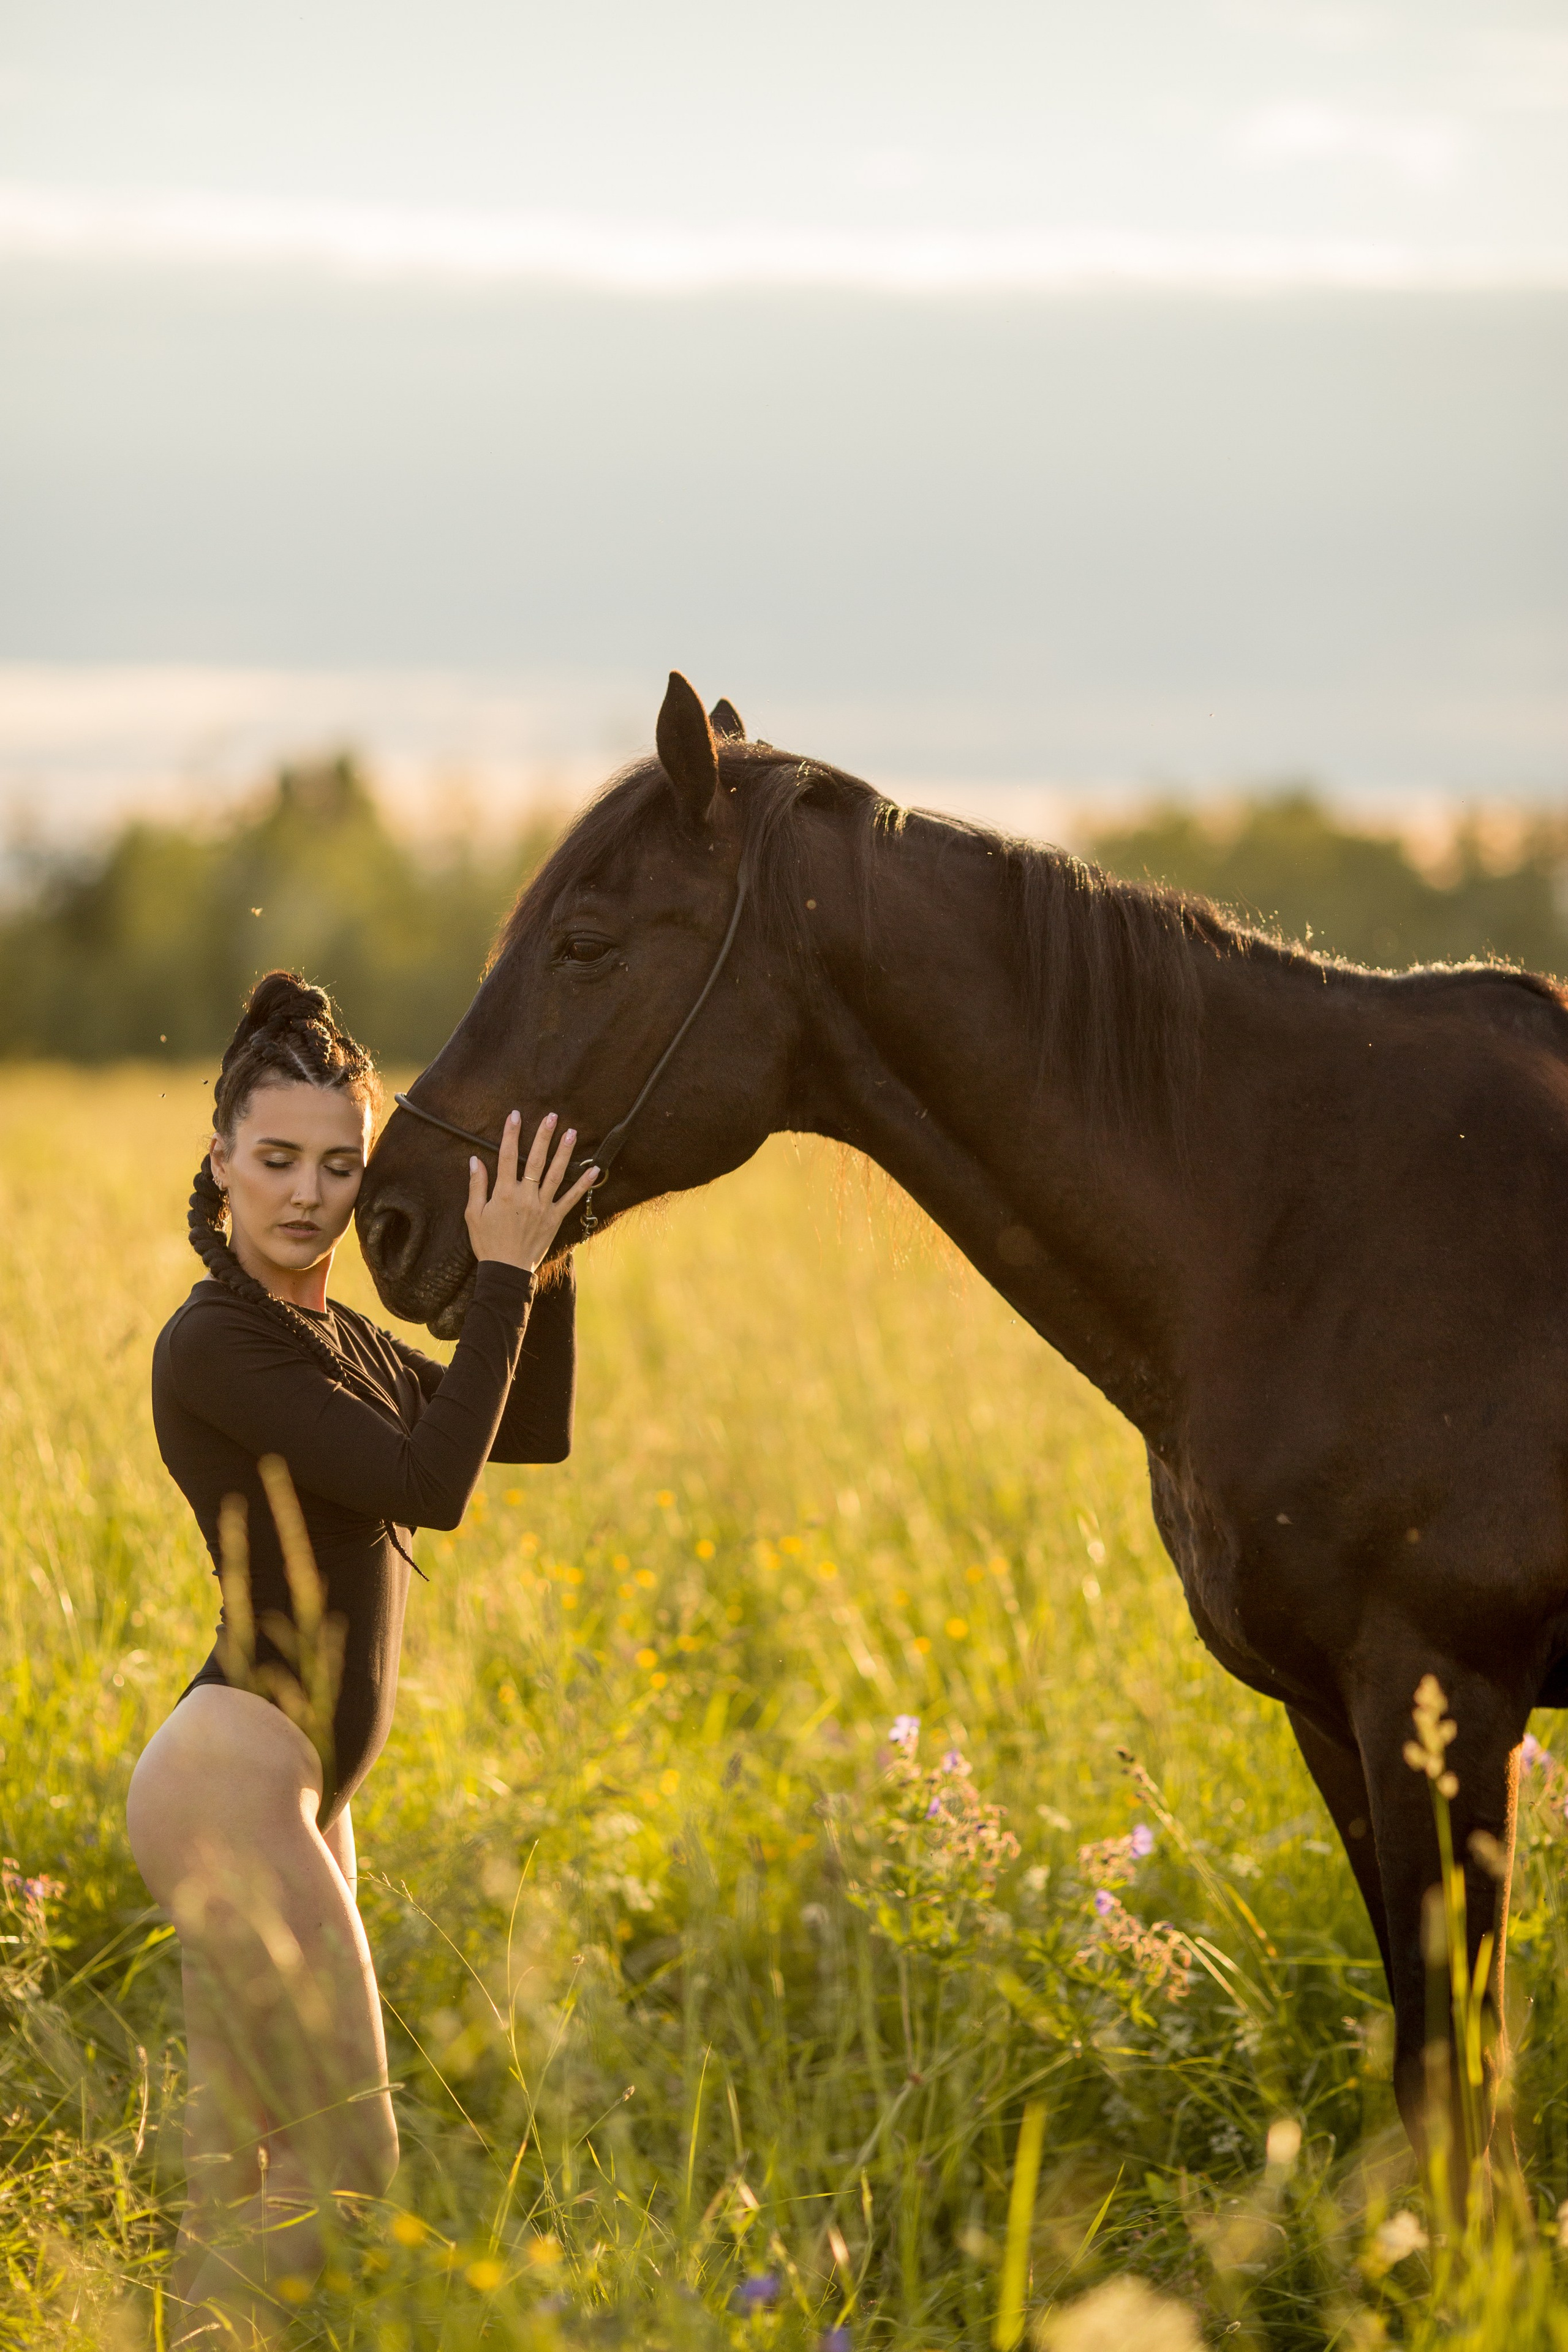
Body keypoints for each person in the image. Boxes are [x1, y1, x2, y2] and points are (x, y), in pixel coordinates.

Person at [126, 971, 598, 2345]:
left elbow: (525, 1431)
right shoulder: (215, 1344)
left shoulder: (329, 1339)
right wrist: (497, 1272)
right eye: (276, 1159)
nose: (307, 1194)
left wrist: (548, 1247)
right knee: (348, 2156)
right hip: (232, 1779)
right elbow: (428, 1488)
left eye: (340, 1166)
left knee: (247, 2169)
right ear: (221, 1159)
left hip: (299, 1793)